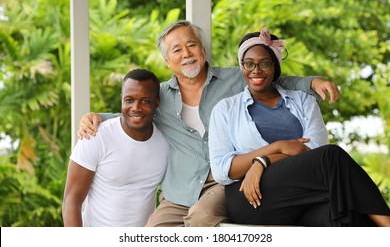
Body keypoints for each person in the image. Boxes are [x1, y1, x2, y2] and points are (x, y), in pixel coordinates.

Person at [77, 20, 341, 227]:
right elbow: (131, 113)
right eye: (176, 50)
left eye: (191, 45)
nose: (186, 54)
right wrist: (96, 117)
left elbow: (277, 80)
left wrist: (312, 82)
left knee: (202, 219)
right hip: (180, 190)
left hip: (227, 180)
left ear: (203, 50)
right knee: (154, 233)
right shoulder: (158, 98)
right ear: (167, 61)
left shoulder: (235, 79)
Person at [208, 28, 390, 226]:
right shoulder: (225, 109)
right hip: (251, 197)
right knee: (331, 156)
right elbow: (222, 170)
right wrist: (276, 147)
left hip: (302, 196)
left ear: (276, 67)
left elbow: (311, 151)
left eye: (265, 64)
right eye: (248, 63)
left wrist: (263, 161)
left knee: (344, 215)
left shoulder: (303, 101)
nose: (256, 70)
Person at [62, 69, 169, 227]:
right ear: (121, 100)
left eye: (145, 101)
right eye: (129, 100)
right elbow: (71, 201)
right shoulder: (95, 136)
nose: (136, 108)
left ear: (157, 102)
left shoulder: (165, 143)